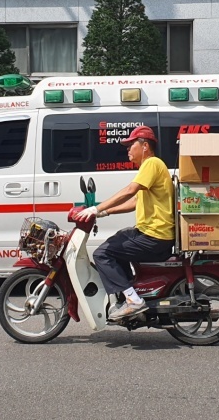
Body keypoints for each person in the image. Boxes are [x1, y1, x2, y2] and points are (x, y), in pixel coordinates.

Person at [74, 125, 175, 320]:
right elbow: (136, 201)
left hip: (155, 236)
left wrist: (97, 208)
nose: (127, 150)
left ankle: (133, 301)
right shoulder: (152, 167)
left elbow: (130, 190)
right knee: (116, 240)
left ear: (144, 146)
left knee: (102, 253)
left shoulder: (152, 163)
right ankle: (129, 293)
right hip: (150, 232)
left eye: (131, 145)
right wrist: (106, 212)